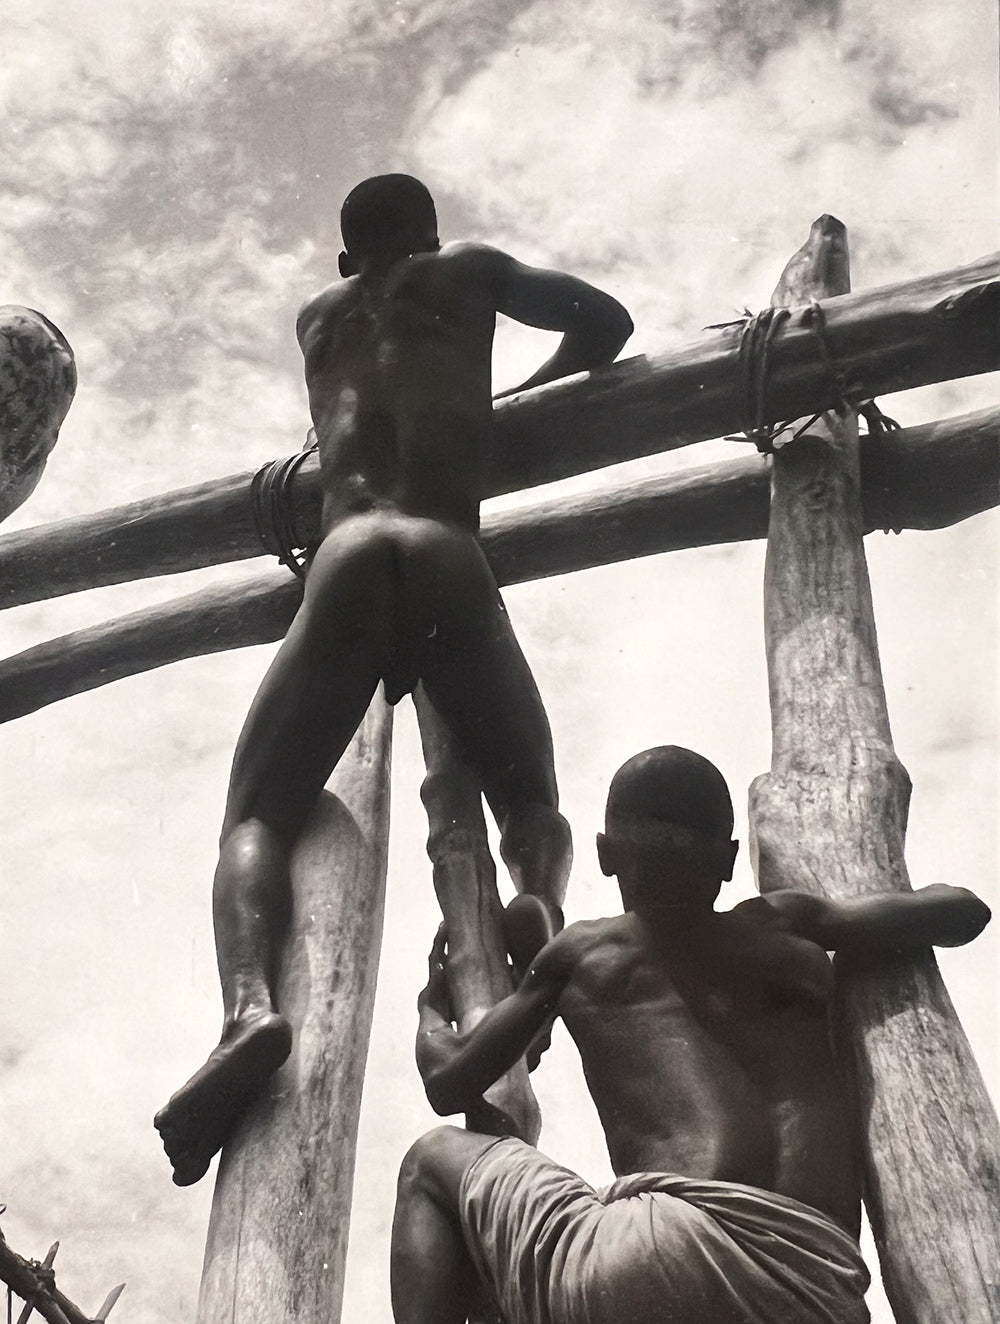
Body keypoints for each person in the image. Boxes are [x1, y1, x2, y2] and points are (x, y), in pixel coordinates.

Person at [154, 174, 634, 1185]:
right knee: (530, 802)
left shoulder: (317, 318)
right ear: (429, 235)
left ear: (342, 261)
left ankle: (249, 1009)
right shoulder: (468, 274)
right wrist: (509, 403)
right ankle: (535, 906)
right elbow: (606, 323)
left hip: (344, 554)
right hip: (446, 544)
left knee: (255, 815)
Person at [391, 745, 991, 1324]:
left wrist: (430, 1006)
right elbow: (964, 910)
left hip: (656, 1254)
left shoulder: (587, 952)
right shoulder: (790, 925)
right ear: (729, 862)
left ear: (605, 855)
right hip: (816, 1286)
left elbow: (449, 1083)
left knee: (432, 1160)